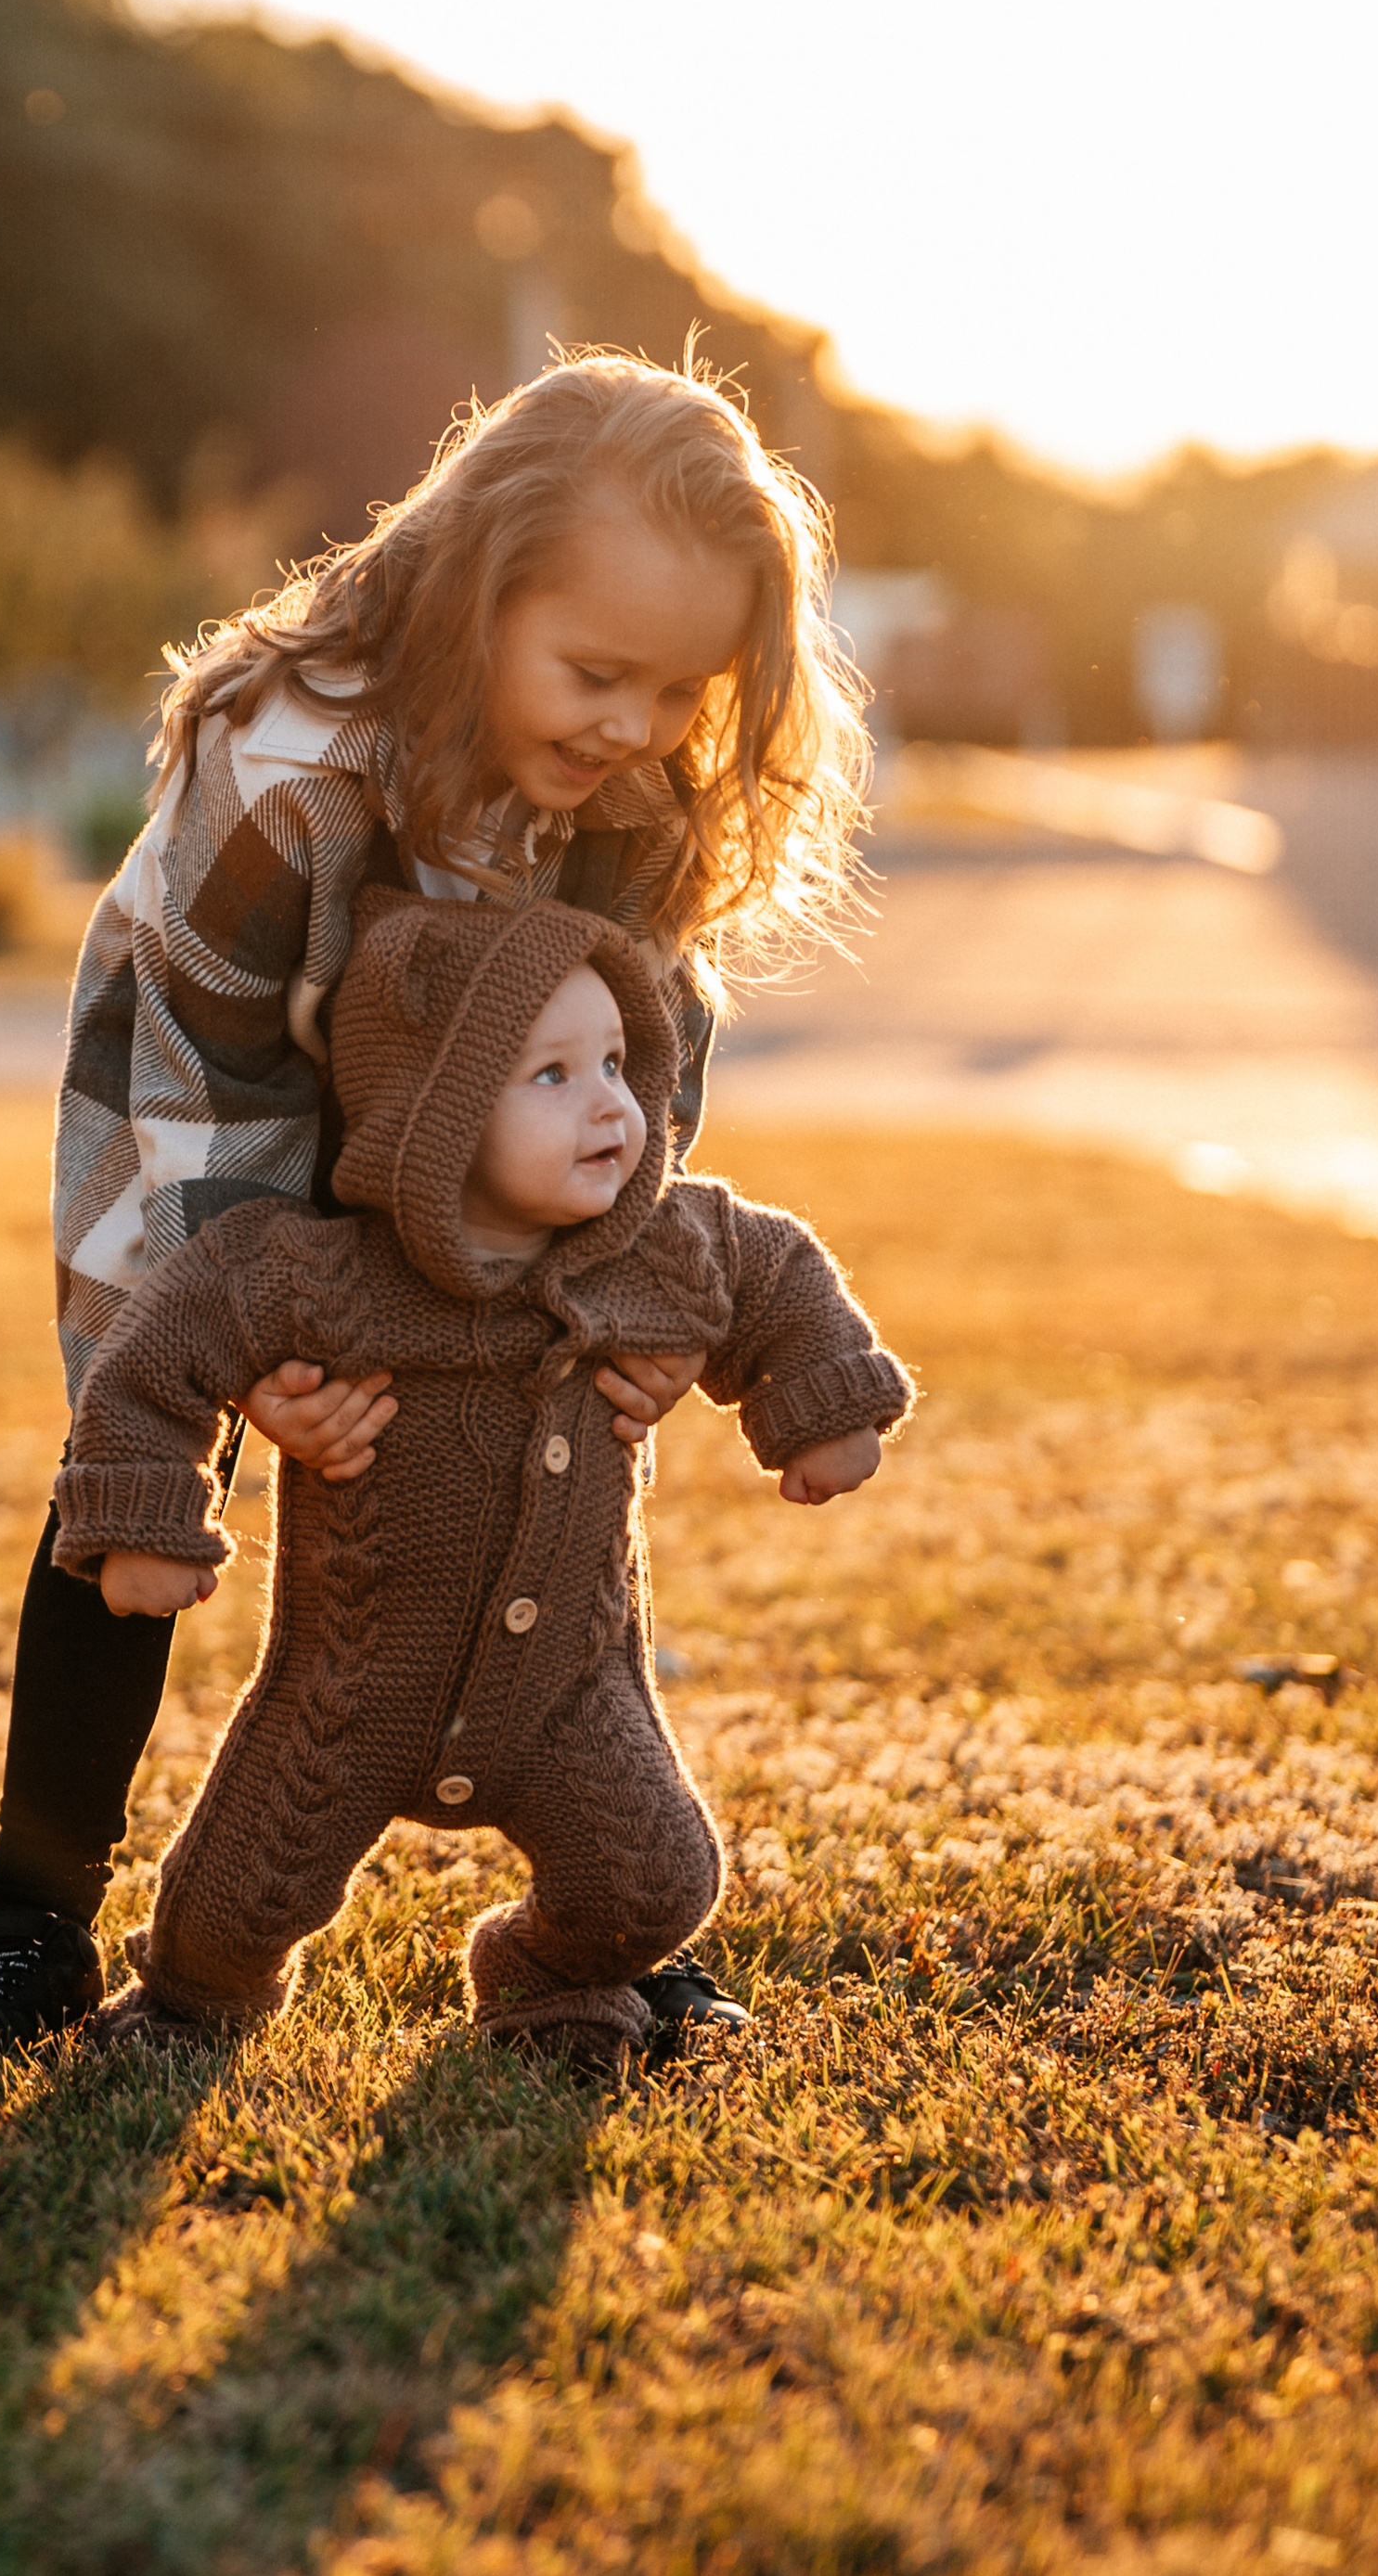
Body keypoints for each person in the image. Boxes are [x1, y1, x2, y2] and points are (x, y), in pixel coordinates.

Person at [0, 350, 872, 2059]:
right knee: (135, 1472)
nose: (632, 725)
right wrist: (255, 1345)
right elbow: (209, 1074)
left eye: (680, 689)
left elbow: (640, 1048)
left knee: (555, 1463)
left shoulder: (633, 788)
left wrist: (626, 1285)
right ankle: (31, 1923)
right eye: (595, 673)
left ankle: (608, 1921)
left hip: (496, 1111)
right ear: (477, 586)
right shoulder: (290, 762)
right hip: (215, 1104)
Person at [56, 889, 911, 2077]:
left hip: (570, 1689)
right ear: (433, 1116)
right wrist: (145, 1523)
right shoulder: (317, 1273)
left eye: (613, 1062)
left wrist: (817, 1409)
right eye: (551, 1075)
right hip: (347, 1697)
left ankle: (547, 1976)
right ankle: (193, 2009)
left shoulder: (661, 1244)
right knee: (229, 1908)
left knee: (656, 1881)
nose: (610, 1103)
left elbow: (778, 1278)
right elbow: (159, 1354)